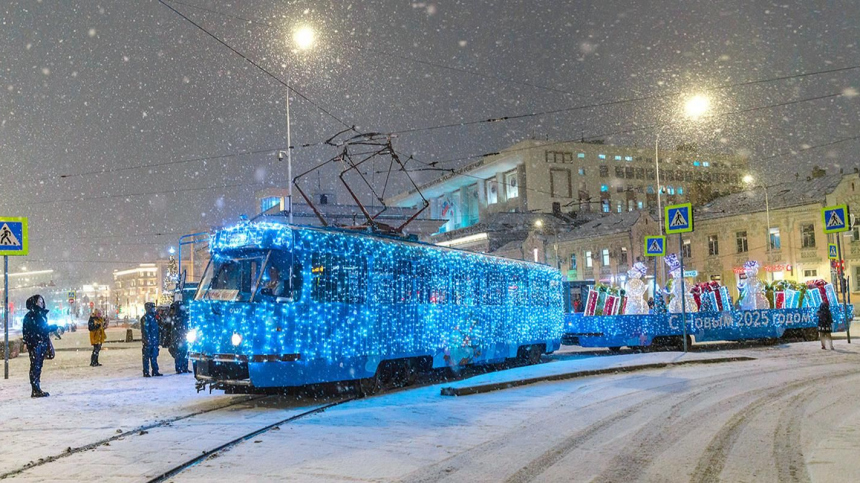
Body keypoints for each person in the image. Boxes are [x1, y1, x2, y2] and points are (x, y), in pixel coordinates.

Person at [22, 295, 57, 397]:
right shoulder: (32, 315)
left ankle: (37, 388)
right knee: (35, 366)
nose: (41, 303)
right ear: (34, 303)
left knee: (38, 365)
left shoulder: (39, 314)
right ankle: (35, 389)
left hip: (40, 342)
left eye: (42, 301)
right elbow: (40, 329)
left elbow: (41, 329)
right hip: (35, 343)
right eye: (39, 302)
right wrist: (51, 327)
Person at [140, 302, 162, 377]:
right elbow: (145, 331)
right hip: (148, 341)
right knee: (146, 357)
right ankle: (146, 372)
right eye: (152, 307)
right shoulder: (145, 318)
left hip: (154, 340)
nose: (153, 309)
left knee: (154, 356)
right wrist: (148, 340)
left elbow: (158, 328)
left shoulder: (154, 317)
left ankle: (155, 370)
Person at [169, 301, 190, 373]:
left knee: (184, 353)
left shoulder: (181, 316)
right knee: (180, 353)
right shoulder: (177, 316)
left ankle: (183, 367)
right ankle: (180, 368)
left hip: (182, 337)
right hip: (179, 338)